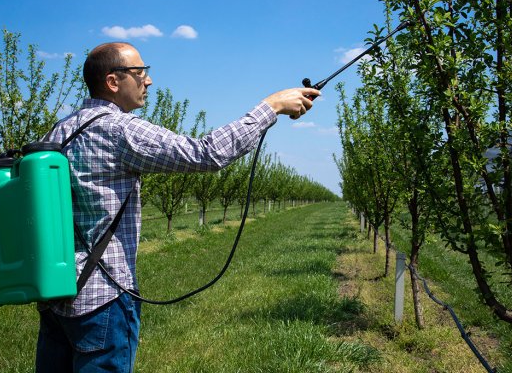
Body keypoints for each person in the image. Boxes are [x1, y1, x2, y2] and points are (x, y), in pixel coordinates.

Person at [35, 42, 320, 373]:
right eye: (140, 72)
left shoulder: (62, 130)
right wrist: (270, 107)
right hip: (103, 299)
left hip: (57, 293)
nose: (148, 80)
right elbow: (205, 154)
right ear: (113, 81)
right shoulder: (118, 128)